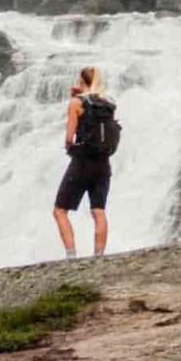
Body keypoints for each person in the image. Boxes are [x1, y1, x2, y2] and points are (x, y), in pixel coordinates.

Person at [53, 64, 118, 258]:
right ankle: (99, 256)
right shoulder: (109, 104)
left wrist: (70, 148)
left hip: (82, 162)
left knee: (60, 210)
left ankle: (71, 256)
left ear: (81, 81)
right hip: (103, 163)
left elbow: (69, 138)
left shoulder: (75, 103)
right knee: (98, 211)